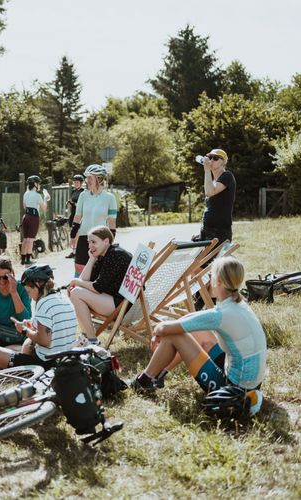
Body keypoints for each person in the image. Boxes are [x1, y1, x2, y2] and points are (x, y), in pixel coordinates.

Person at [130, 257, 265, 418]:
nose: (209, 280)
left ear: (219, 281)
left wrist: (158, 333)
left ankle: (143, 381)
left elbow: (164, 328)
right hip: (250, 382)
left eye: (211, 276)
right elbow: (193, 318)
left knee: (174, 336)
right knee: (198, 332)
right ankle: (158, 376)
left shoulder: (222, 314)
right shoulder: (238, 304)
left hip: (234, 390)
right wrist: (168, 328)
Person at [0, 264, 77, 369]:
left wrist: (24, 330)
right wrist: (31, 327)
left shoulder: (43, 303)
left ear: (37, 284)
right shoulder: (63, 298)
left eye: (29, 292)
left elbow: (44, 341)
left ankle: (20, 368)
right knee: (27, 343)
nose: (31, 297)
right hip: (66, 358)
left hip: (45, 362)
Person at [67, 226, 132, 346]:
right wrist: (91, 259)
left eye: (93, 242)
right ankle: (86, 336)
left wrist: (76, 282)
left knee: (76, 293)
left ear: (106, 241)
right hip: (117, 302)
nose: (90, 246)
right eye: (89, 242)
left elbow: (97, 287)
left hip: (123, 306)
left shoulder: (115, 255)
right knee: (76, 292)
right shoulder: (105, 255)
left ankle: (91, 341)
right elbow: (84, 280)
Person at [70, 164, 118, 277]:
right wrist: (73, 235)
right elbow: (77, 217)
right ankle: (78, 290)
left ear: (99, 179)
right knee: (79, 266)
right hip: (83, 236)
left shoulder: (110, 198)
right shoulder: (83, 195)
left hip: (100, 239)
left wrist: (110, 241)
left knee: (96, 268)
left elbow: (112, 222)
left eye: (90, 178)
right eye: (87, 178)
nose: (87, 181)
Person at [196, 148, 235, 245]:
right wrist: (200, 235)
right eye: (210, 157)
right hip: (207, 228)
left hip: (220, 231)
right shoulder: (212, 182)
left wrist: (207, 170)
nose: (211, 160)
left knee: (217, 260)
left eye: (215, 158)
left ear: (224, 162)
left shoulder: (227, 176)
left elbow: (209, 192)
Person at [20, 175, 47, 265]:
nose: (39, 185)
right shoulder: (37, 195)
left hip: (26, 216)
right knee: (31, 239)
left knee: (25, 239)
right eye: (38, 183)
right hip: (34, 217)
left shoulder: (26, 193)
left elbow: (24, 206)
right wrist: (46, 199)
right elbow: (44, 208)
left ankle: (23, 259)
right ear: (35, 184)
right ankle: (28, 259)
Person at [66, 174, 85, 259]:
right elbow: (71, 201)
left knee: (77, 232)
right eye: (75, 182)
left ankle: (76, 251)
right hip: (73, 213)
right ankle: (73, 251)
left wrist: (73, 203)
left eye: (77, 182)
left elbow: (82, 205)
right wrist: (69, 204)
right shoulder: (73, 191)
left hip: (79, 214)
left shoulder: (83, 192)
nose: (76, 184)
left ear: (81, 183)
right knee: (72, 232)